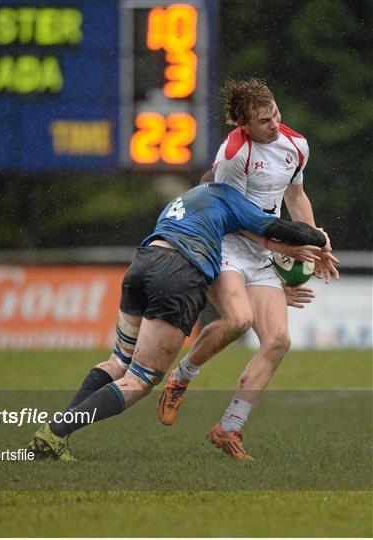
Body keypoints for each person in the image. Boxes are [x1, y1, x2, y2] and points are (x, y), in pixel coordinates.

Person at [28, 181, 331, 462]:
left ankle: (53, 433)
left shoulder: (186, 198)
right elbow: (274, 227)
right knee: (140, 379)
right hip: (177, 275)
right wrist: (320, 239)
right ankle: (55, 433)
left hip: (144, 263)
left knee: (118, 361)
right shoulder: (227, 195)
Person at [157, 78, 339, 460]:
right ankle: (182, 377)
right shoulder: (234, 154)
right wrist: (286, 244)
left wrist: (315, 242)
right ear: (243, 125)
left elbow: (295, 196)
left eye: (275, 113)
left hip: (263, 250)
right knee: (238, 321)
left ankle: (229, 428)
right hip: (224, 244)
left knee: (278, 340)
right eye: (264, 120)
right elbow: (229, 216)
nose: (274, 124)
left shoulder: (296, 146)